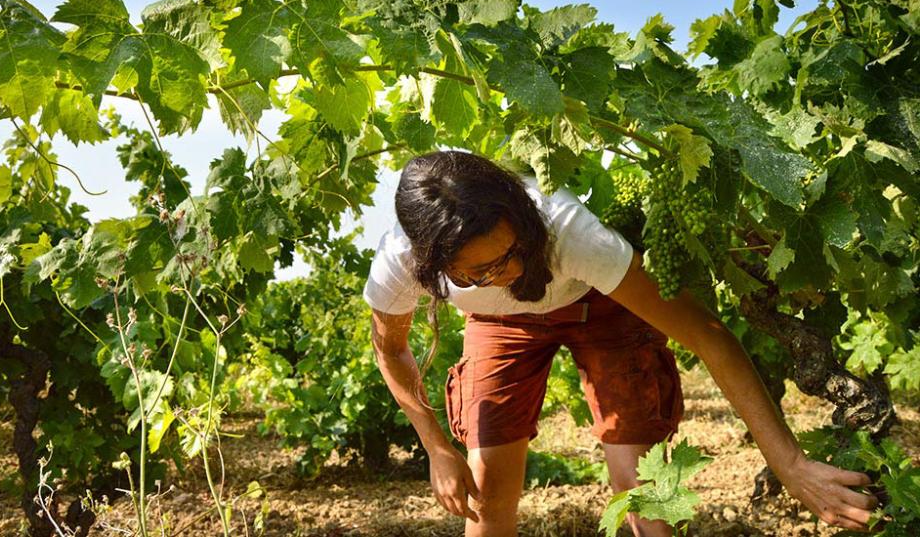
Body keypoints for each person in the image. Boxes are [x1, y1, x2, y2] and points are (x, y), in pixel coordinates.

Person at [364, 150, 879, 537]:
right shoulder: (401, 261)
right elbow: (390, 349)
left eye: (514, 250)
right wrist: (436, 447)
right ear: (433, 266)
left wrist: (791, 465)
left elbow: (708, 337)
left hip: (601, 307)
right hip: (500, 325)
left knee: (638, 485)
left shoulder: (566, 230)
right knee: (487, 488)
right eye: (482, 271)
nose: (513, 271)